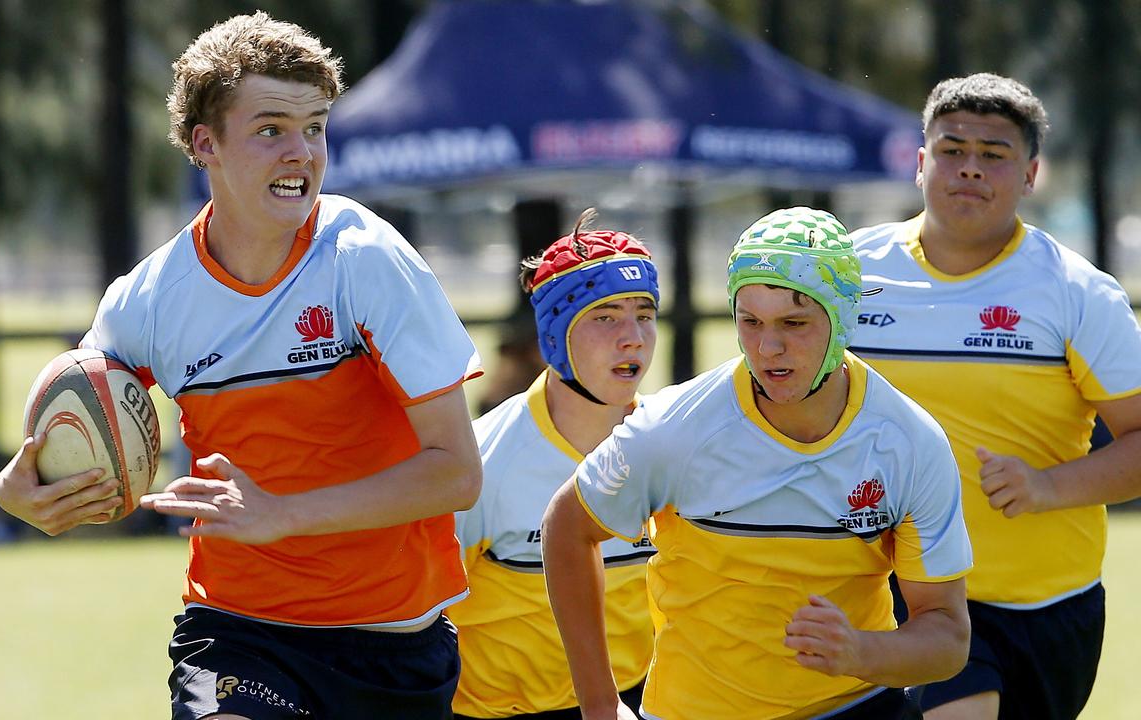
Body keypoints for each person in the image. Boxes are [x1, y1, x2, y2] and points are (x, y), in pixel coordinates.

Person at [0, 12, 483, 720]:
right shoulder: (150, 302)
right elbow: (79, 419)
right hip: (236, 630)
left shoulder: (365, 261)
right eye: (271, 129)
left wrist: (282, 515)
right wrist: (22, 490)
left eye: (315, 127)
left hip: (394, 646)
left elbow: (456, 473)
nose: (302, 153)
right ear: (205, 143)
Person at [542, 207, 974, 720]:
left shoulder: (909, 441)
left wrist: (860, 652)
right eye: (750, 322)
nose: (769, 347)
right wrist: (599, 706)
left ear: (842, 320)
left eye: (795, 323)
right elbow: (567, 527)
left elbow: (947, 636)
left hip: (855, 708)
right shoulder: (674, 427)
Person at [849, 73, 1141, 720]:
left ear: (1031, 174)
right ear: (921, 163)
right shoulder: (849, 275)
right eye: (951, 150)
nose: (970, 169)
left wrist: (1045, 487)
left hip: (1048, 607)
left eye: (994, 155)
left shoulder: (1077, 293)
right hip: (899, 595)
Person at [450, 209, 659, 719]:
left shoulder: (670, 440)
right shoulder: (483, 463)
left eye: (644, 314)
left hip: (643, 700)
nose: (633, 336)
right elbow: (419, 626)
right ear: (554, 337)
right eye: (605, 317)